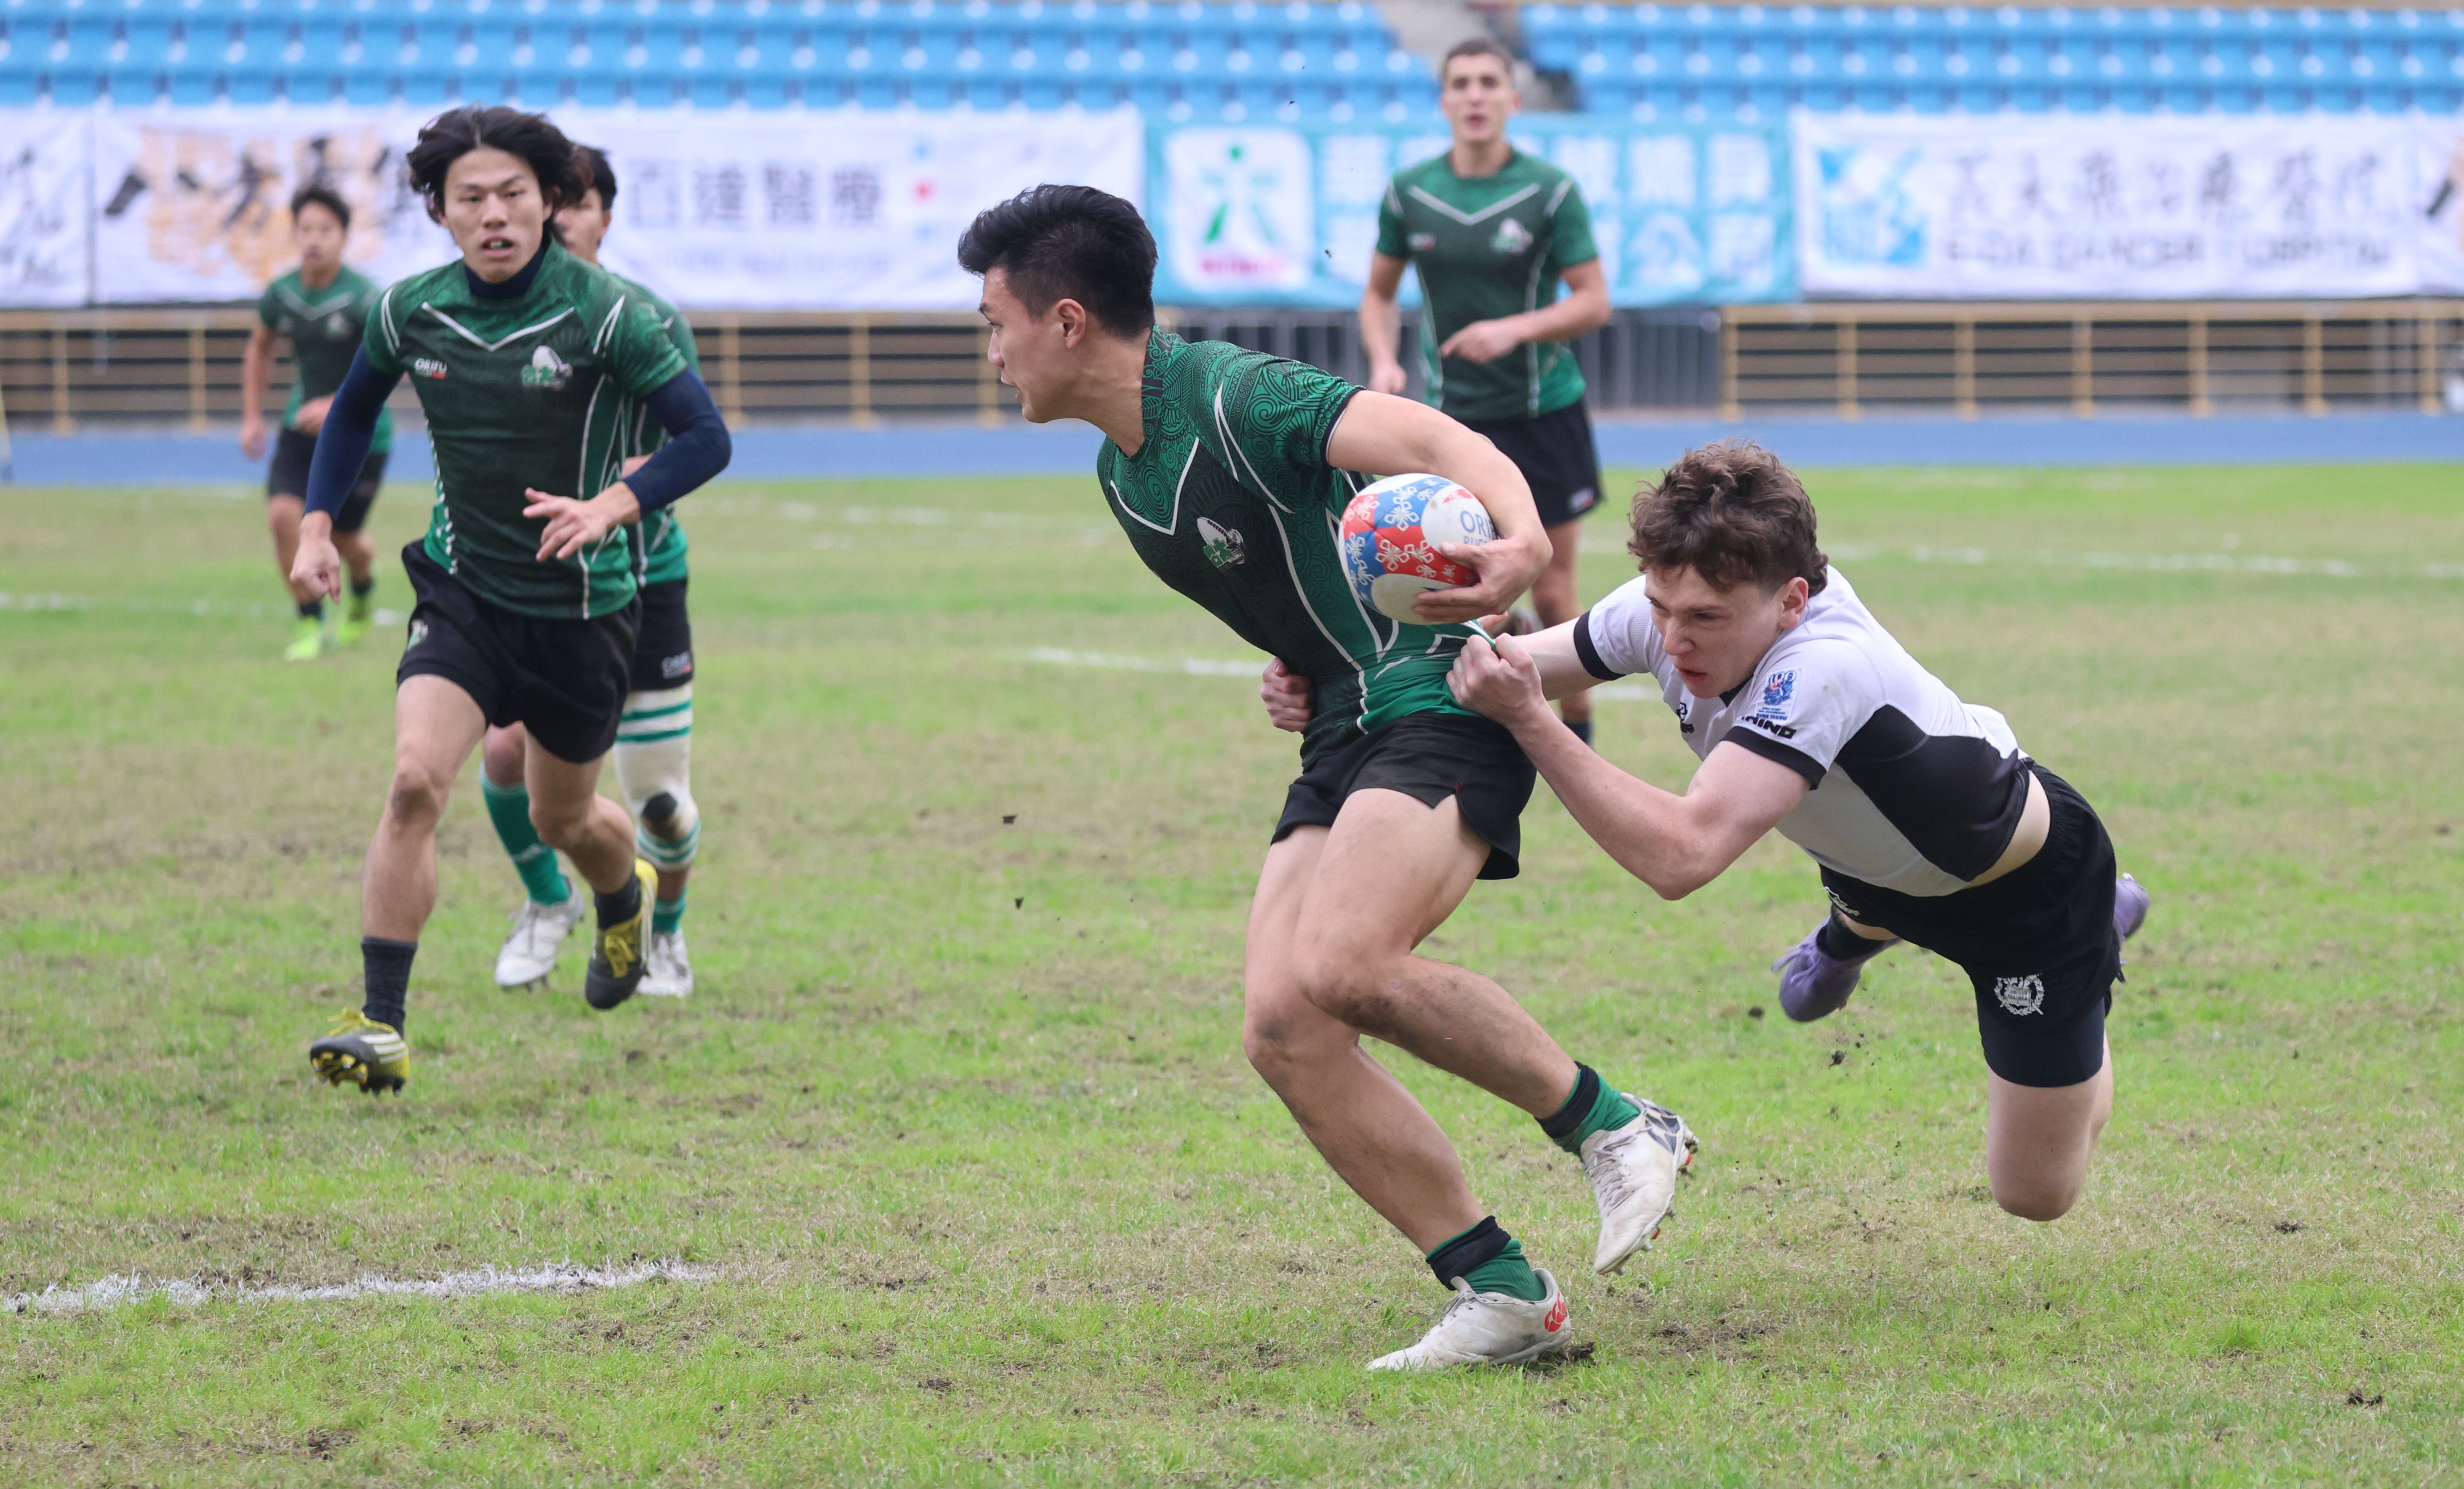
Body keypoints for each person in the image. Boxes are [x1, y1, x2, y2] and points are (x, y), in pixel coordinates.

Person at [959, 183, 1695, 1372]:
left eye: (994, 321)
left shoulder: (1233, 395)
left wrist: (1513, 539)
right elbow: (1295, 596)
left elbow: (1439, 442)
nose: (989, 352)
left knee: (1346, 964)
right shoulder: (1120, 472)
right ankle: (1499, 1290)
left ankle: (1614, 1122)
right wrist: (1292, 671)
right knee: (1282, 1026)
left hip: (1440, 688)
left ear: (1069, 320)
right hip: (1345, 720)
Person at [1442, 440, 2152, 1222]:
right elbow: (1496, 668)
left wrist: (1534, 724)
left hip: (2021, 898)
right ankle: (1860, 921)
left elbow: (1681, 856)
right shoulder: (1675, 600)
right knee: (1810, 983)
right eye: (1659, 607)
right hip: (1872, 863)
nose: (1674, 640)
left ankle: (2095, 938)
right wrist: (1338, 674)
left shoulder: (1821, 666)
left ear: (1790, 600)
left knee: (2033, 1196)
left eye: (1705, 618)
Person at [288, 107, 731, 1096]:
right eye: (471, 198)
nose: (494, 214)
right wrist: (318, 524)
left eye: (514, 195)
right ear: (440, 211)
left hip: (583, 610)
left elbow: (706, 437)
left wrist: (614, 503)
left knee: (565, 816)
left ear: (550, 202)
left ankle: (624, 898)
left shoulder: (612, 313)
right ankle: (382, 1022)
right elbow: (355, 407)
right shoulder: (412, 309)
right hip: (463, 591)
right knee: (414, 780)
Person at [482, 146, 704, 1000]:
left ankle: (669, 935)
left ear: (604, 217)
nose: (559, 217)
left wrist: (605, 497)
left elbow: (691, 442)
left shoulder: (644, 317)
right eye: (550, 201)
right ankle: (548, 900)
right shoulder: (490, 318)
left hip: (641, 584)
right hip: (532, 582)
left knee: (657, 804)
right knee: (504, 756)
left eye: (576, 203)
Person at [1361, 36, 1612, 744]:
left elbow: (1593, 301)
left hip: (1543, 413)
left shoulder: (1549, 191)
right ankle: (1455, 723)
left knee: (1554, 587)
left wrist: (1514, 329)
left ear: (1511, 97)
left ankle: (1576, 729)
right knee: (1450, 584)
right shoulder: (1410, 192)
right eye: (1461, 83)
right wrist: (1384, 360)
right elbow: (1376, 296)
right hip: (1453, 425)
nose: (1474, 95)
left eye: (1487, 83)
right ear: (1444, 100)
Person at [241, 184, 393, 661]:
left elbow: (390, 364)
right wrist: (251, 416)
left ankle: (364, 587)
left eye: (326, 229)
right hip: (300, 427)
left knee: (345, 540)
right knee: (284, 517)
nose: (315, 238)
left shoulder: (365, 298)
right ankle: (311, 624)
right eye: (306, 228)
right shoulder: (282, 294)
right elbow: (259, 347)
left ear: (344, 237)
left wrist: (337, 404)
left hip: (363, 432)